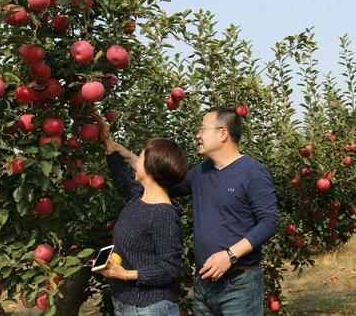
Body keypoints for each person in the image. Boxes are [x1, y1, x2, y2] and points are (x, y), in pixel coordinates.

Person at [169, 107, 279, 315]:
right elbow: (159, 181)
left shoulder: (253, 172)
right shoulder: (200, 173)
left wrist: (230, 255)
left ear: (222, 134)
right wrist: (120, 152)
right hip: (203, 284)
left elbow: (269, 222)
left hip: (239, 285)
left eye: (202, 129)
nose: (197, 135)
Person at [92, 113, 188, 316]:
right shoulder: (138, 197)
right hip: (126, 304)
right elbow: (120, 173)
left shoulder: (164, 214)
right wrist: (107, 139)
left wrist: (125, 274)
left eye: (141, 156)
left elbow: (170, 268)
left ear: (151, 167)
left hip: (150, 308)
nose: (136, 160)